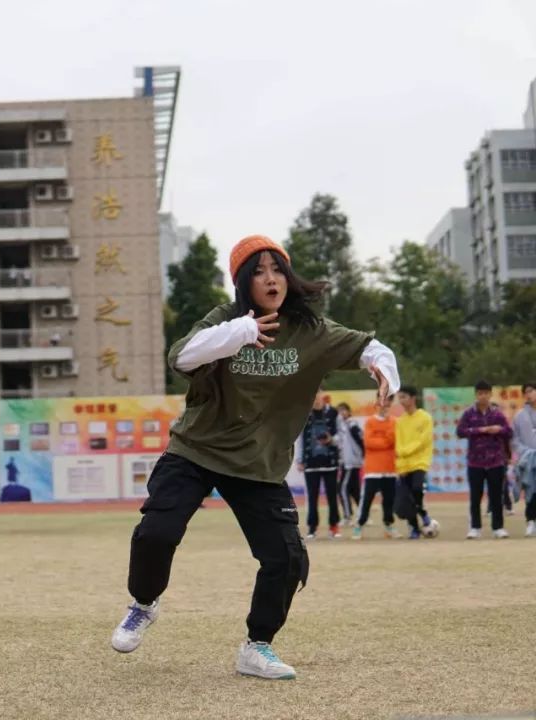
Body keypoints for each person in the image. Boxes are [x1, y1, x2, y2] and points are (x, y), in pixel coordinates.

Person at [109, 234, 398, 681]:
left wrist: (385, 371)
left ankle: (257, 645)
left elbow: (370, 348)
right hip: (196, 449)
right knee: (156, 532)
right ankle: (144, 604)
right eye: (259, 271)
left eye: (277, 269)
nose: (271, 278)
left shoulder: (309, 330)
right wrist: (240, 332)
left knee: (287, 558)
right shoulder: (226, 319)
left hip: (259, 462)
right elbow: (180, 356)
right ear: (243, 282)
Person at [456, 380, 512, 539]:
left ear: (490, 394)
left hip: (496, 461)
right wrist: (480, 430)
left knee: (496, 496)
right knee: (475, 496)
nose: (483, 396)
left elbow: (509, 431)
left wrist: (499, 429)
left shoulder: (497, 414)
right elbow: (460, 431)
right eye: (480, 393)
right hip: (475, 462)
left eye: (486, 393)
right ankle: (475, 527)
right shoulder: (469, 414)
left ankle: (498, 527)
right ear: (476, 395)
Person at [296, 390, 342, 539]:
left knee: (332, 496)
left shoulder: (334, 413)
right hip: (311, 463)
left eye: (318, 394)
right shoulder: (303, 413)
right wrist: (299, 460)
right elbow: (300, 439)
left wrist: (331, 440)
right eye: (313, 394)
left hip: (331, 462)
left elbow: (342, 435)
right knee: (312, 497)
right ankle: (312, 528)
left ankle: (334, 526)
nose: (316, 398)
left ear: (323, 395)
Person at [353, 396, 399, 540]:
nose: (385, 404)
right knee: (367, 499)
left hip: (390, 468)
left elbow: (395, 439)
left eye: (388, 401)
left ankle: (388, 526)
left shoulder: (395, 422)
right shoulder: (370, 422)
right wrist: (386, 440)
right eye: (383, 400)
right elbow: (369, 442)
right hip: (373, 469)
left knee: (389, 500)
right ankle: (359, 525)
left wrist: (384, 440)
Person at [396, 386, 440, 539]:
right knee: (407, 499)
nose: (401, 401)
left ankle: (424, 516)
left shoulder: (425, 418)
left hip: (420, 462)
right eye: (400, 397)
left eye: (404, 397)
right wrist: (401, 461)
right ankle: (416, 526)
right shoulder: (400, 421)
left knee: (416, 489)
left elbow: (423, 441)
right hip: (404, 464)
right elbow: (398, 444)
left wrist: (405, 451)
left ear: (413, 398)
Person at [512, 382, 536, 537]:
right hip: (529, 458)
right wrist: (524, 452)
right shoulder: (519, 416)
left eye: (532, 391)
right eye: (526, 392)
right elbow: (514, 439)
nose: (529, 394)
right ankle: (531, 521)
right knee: (530, 490)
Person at [335, 402, 364, 527]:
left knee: (342, 489)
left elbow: (361, 440)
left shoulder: (352, 424)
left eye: (344, 410)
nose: (342, 413)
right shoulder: (342, 425)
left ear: (348, 411)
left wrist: (361, 455)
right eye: (340, 411)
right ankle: (363, 515)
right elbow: (339, 441)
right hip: (345, 462)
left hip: (351, 463)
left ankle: (347, 516)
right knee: (355, 490)